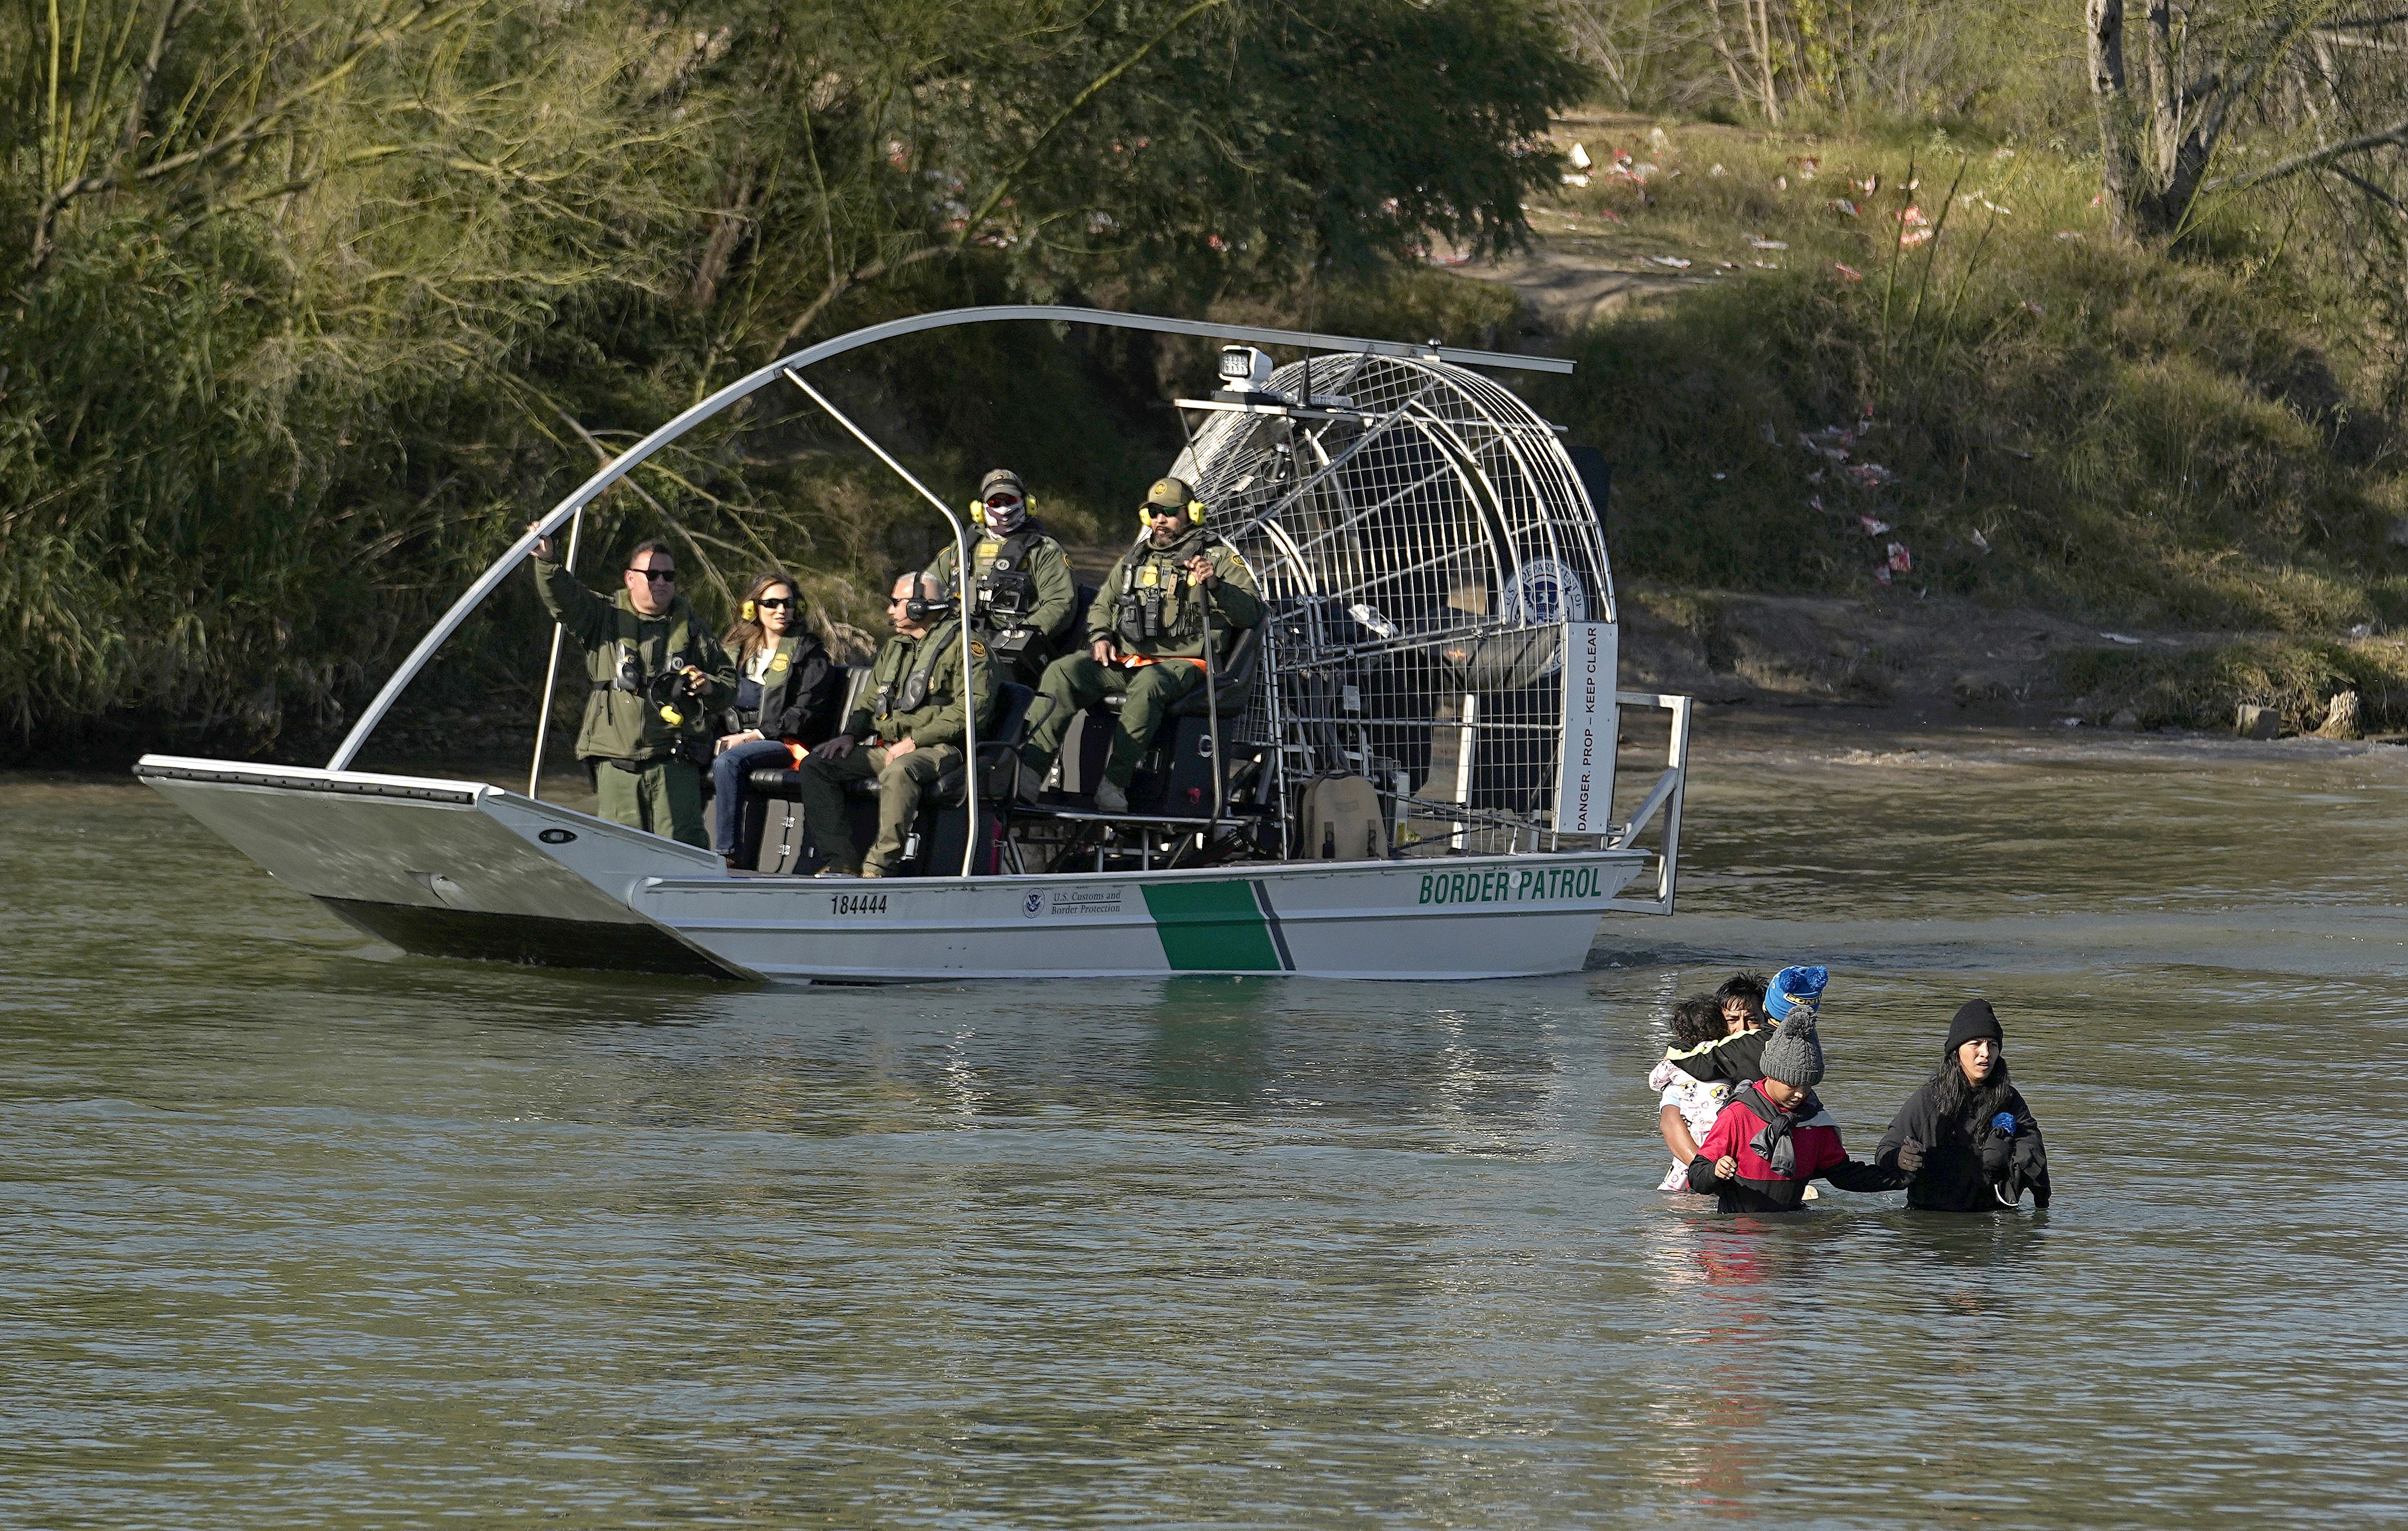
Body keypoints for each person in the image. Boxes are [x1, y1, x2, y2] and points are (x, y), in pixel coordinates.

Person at [1015, 476, 1261, 814]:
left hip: (1186, 665)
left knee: (1150, 684)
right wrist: (1100, 636)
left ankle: (1114, 782)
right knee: (1064, 671)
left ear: (1191, 513)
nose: (1160, 520)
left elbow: (1251, 614)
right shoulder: (1135, 559)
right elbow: (1102, 604)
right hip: (1131, 660)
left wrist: (1216, 585)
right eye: (1154, 512)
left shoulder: (1216, 558)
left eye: (1170, 512)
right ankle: (1029, 774)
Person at [527, 527, 735, 848]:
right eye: (652, 575)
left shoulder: (693, 629)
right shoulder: (603, 618)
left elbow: (729, 685)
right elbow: (564, 597)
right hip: (617, 762)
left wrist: (709, 685)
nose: (661, 583)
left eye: (668, 576)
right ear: (630, 579)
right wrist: (547, 561)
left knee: (683, 848)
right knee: (617, 849)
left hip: (674, 760)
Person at [788, 571, 997, 878]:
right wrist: (849, 736)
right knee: (817, 765)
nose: (890, 610)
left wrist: (916, 740)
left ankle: (878, 868)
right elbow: (871, 700)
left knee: (900, 772)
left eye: (897, 603)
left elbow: (971, 709)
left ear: (919, 607)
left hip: (940, 749)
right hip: (892, 746)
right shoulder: (896, 647)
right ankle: (840, 860)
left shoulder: (967, 647)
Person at [1685, 989, 1898, 1212]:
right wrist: (1715, 1171)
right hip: (1738, 1237)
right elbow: (1696, 1176)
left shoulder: (1815, 1121)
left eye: (1807, 1086)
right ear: (1770, 1074)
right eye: (1792, 1086)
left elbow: (1845, 1175)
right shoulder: (1738, 1115)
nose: (1800, 1094)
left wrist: (1901, 1178)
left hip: (1792, 1238)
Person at [708, 570, 839, 869]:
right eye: (772, 603)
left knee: (729, 761)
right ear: (753, 608)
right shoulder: (734, 651)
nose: (782, 611)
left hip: (787, 744)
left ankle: (725, 855)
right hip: (735, 737)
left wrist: (754, 735)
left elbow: (805, 714)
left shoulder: (810, 654)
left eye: (788, 604)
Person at [1873, 1000, 2052, 1210]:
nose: (1985, 1053)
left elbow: (2035, 1152)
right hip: (1930, 1222)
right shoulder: (1928, 1100)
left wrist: (2012, 1154)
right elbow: (1884, 1151)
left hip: (1993, 1220)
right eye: (1976, 1043)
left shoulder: (2010, 1100)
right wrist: (1901, 1158)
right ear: (1957, 1050)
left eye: (1992, 1045)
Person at [925, 469, 1078, 685]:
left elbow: (1060, 603)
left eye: (1011, 499)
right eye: (996, 502)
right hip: (960, 641)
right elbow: (928, 586)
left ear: (1027, 504)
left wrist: (1017, 635)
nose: (1004, 508)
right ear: (979, 509)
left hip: (1013, 653)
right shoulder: (961, 548)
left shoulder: (1043, 550)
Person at [1650, 994, 1737, 1191]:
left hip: (1693, 1132)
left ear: (1681, 1033)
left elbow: (1655, 1082)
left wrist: (1669, 1065)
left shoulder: (1679, 1059)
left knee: (1677, 1184)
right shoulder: (1727, 1054)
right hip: (1723, 1133)